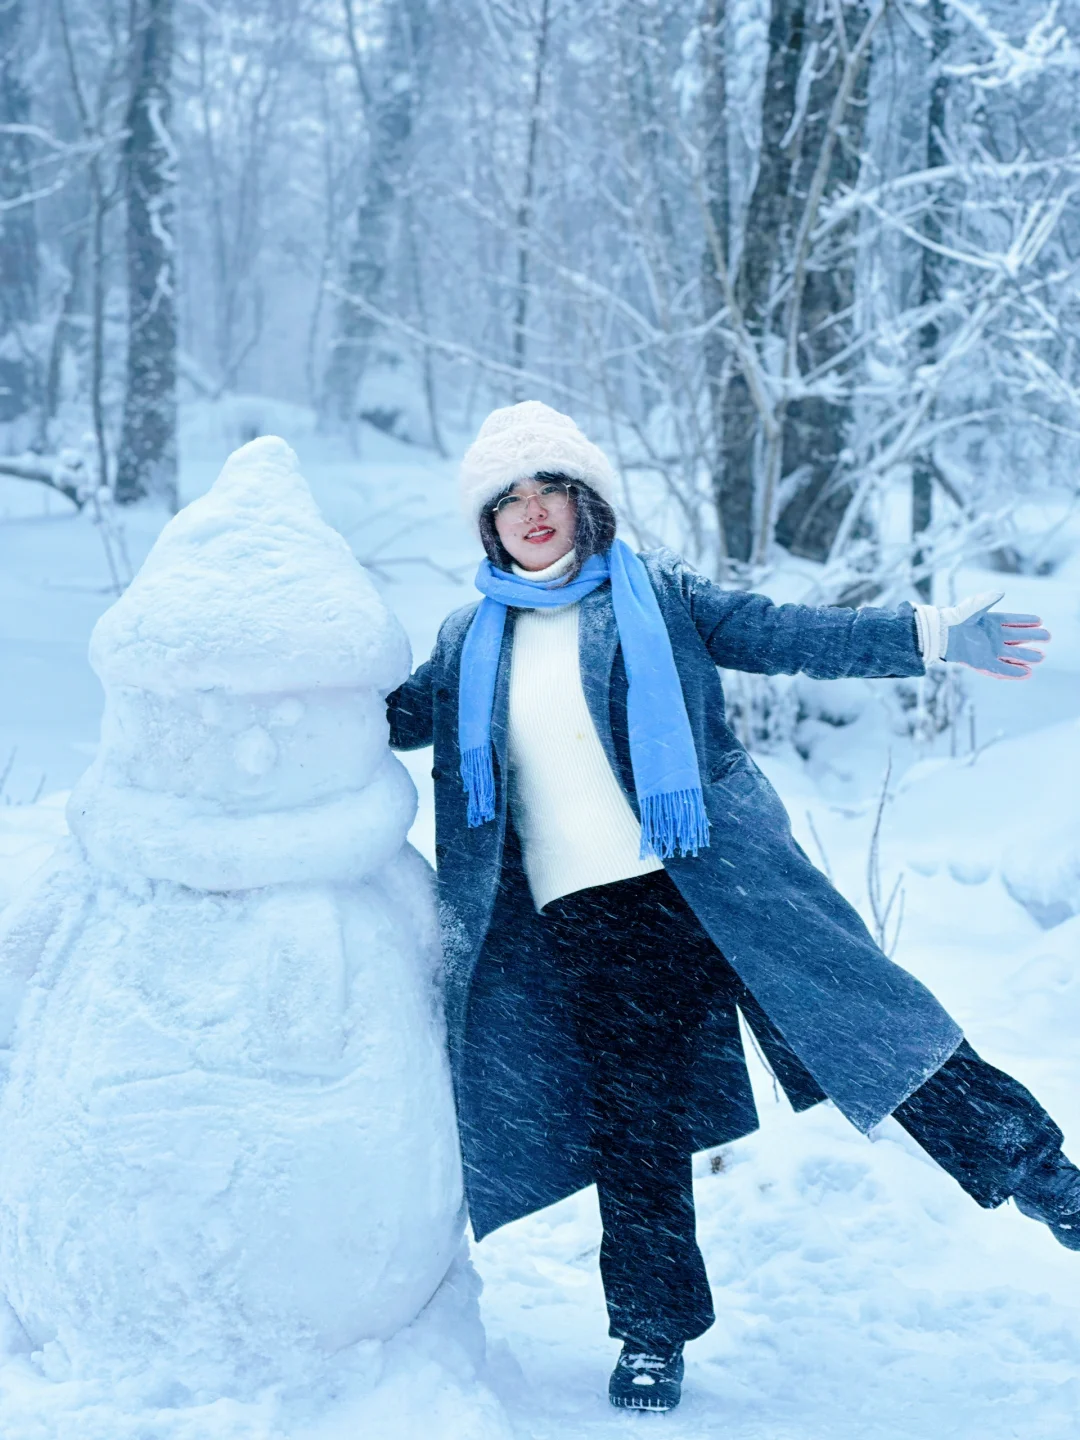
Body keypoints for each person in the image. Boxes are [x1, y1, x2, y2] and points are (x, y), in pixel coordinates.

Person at [387, 400, 1077, 1414]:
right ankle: (653, 1333)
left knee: (873, 1029)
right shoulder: (465, 644)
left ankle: (1048, 1179)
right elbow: (379, 718)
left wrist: (930, 633)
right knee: (635, 1127)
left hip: (716, 881)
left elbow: (782, 632)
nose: (532, 513)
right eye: (508, 501)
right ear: (487, 526)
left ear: (585, 504)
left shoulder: (653, 595)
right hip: (586, 927)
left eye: (550, 492)